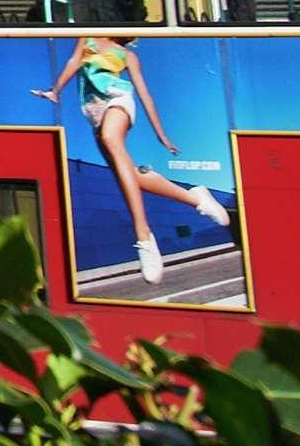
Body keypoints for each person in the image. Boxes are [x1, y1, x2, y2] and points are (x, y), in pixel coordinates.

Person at [35, 33, 225, 286]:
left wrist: (161, 134)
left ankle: (144, 236)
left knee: (111, 139)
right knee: (130, 176)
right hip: (95, 112)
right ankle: (195, 197)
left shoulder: (128, 56)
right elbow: (74, 62)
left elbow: (144, 94)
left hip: (119, 101)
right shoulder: (87, 39)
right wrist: (55, 91)